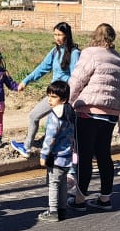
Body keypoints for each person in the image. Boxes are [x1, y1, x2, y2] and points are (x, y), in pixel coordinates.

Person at [67, 23, 120, 210]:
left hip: (89, 111)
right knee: (103, 155)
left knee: (84, 156)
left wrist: (66, 102)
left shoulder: (90, 53)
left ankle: (80, 199)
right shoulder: (119, 59)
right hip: (111, 114)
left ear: (95, 36)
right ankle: (105, 198)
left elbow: (78, 79)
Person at [11, 22, 80, 157]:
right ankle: (28, 147)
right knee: (35, 116)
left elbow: (76, 78)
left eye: (60, 34)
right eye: (55, 34)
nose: (57, 37)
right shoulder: (55, 51)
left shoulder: (74, 53)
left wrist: (70, 99)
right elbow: (42, 68)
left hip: (64, 97)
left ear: (67, 35)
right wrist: (26, 81)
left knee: (60, 126)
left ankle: (68, 156)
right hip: (53, 95)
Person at [38, 80, 77, 223]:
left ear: (63, 98)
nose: (49, 99)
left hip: (55, 157)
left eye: (53, 96)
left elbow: (50, 137)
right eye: (49, 96)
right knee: (62, 184)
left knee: (53, 183)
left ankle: (53, 210)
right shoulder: (70, 112)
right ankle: (62, 208)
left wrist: (44, 155)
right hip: (67, 156)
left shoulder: (55, 115)